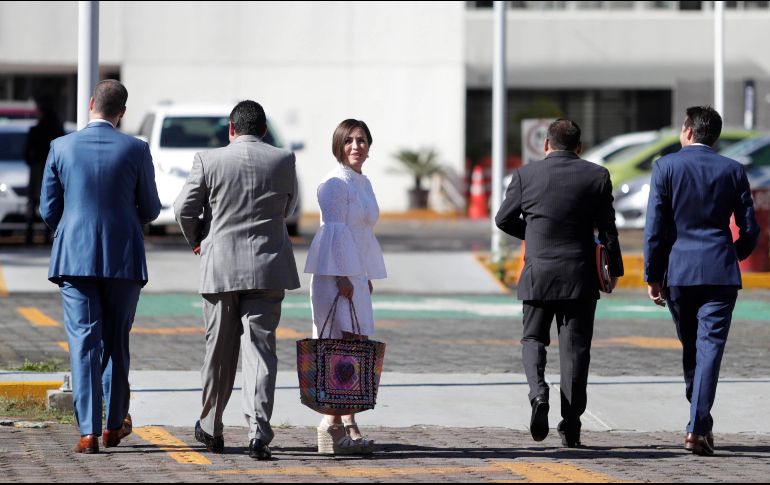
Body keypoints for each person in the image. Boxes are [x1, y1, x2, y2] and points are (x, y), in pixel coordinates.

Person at [173, 100, 300, 461]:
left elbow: (184, 208)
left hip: (220, 268)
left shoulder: (208, 160)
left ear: (231, 128)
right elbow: (285, 208)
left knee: (218, 352)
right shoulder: (283, 160)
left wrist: (199, 237)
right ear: (263, 129)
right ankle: (258, 432)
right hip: (268, 267)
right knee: (260, 352)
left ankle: (212, 426)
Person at [39, 79, 160, 454]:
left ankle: (88, 432)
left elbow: (47, 209)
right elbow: (152, 209)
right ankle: (113, 425)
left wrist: (72, 228)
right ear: (122, 112)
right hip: (122, 255)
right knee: (116, 341)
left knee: (83, 341)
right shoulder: (136, 149)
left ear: (91, 103)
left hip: (74, 257)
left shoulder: (60, 147)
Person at [495, 118, 623, 448]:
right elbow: (608, 231)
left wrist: (534, 234)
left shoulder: (526, 175)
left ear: (546, 145)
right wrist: (614, 271)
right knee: (576, 351)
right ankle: (571, 425)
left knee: (533, 339)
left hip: (538, 274)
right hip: (580, 278)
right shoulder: (597, 176)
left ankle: (539, 394)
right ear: (579, 147)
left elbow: (503, 218)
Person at [644, 106, 759, 456]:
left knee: (693, 347)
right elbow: (751, 228)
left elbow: (655, 228)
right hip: (720, 272)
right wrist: (731, 254)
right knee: (707, 350)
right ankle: (700, 424)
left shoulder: (665, 167)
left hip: (678, 272)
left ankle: (696, 424)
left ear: (688, 131)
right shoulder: (733, 170)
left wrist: (653, 275)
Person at [304, 119, 387, 455]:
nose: (357, 146)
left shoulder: (362, 182)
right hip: (335, 275)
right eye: (350, 140)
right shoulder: (334, 183)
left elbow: (362, 235)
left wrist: (363, 274)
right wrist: (342, 277)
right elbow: (333, 233)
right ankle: (330, 425)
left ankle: (348, 422)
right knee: (338, 347)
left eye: (362, 140)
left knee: (355, 346)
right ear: (338, 145)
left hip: (354, 274)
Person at [25, 96, 64, 244]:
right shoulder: (58, 131)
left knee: (32, 202)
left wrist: (34, 160)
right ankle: (49, 235)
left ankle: (29, 235)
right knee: (52, 199)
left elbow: (27, 154)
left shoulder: (35, 130)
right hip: (54, 169)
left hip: (37, 169)